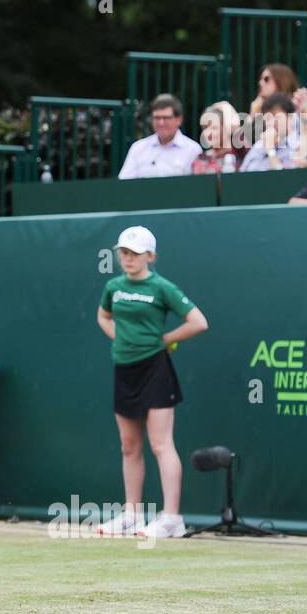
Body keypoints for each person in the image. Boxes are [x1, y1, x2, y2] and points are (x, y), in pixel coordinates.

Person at [94, 226, 208, 538]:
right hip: (124, 370)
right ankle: (131, 514)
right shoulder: (113, 287)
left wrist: (165, 340)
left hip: (156, 370)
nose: (128, 259)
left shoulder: (162, 287)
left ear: (150, 256)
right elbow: (103, 317)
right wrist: (121, 338)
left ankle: (172, 518)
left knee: (160, 444)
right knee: (129, 445)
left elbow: (198, 322)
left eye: (135, 253)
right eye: (124, 253)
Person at [117, 94, 202, 179]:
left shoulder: (193, 150)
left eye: (166, 118)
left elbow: (197, 186)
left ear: (178, 120)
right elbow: (124, 183)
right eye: (157, 118)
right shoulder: (138, 148)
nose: (161, 123)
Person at [239, 94, 296, 171]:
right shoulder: (259, 146)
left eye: (277, 117)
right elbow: (243, 174)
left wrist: (270, 150)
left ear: (290, 118)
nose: (272, 122)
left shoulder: (297, 145)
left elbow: (283, 178)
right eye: (268, 118)